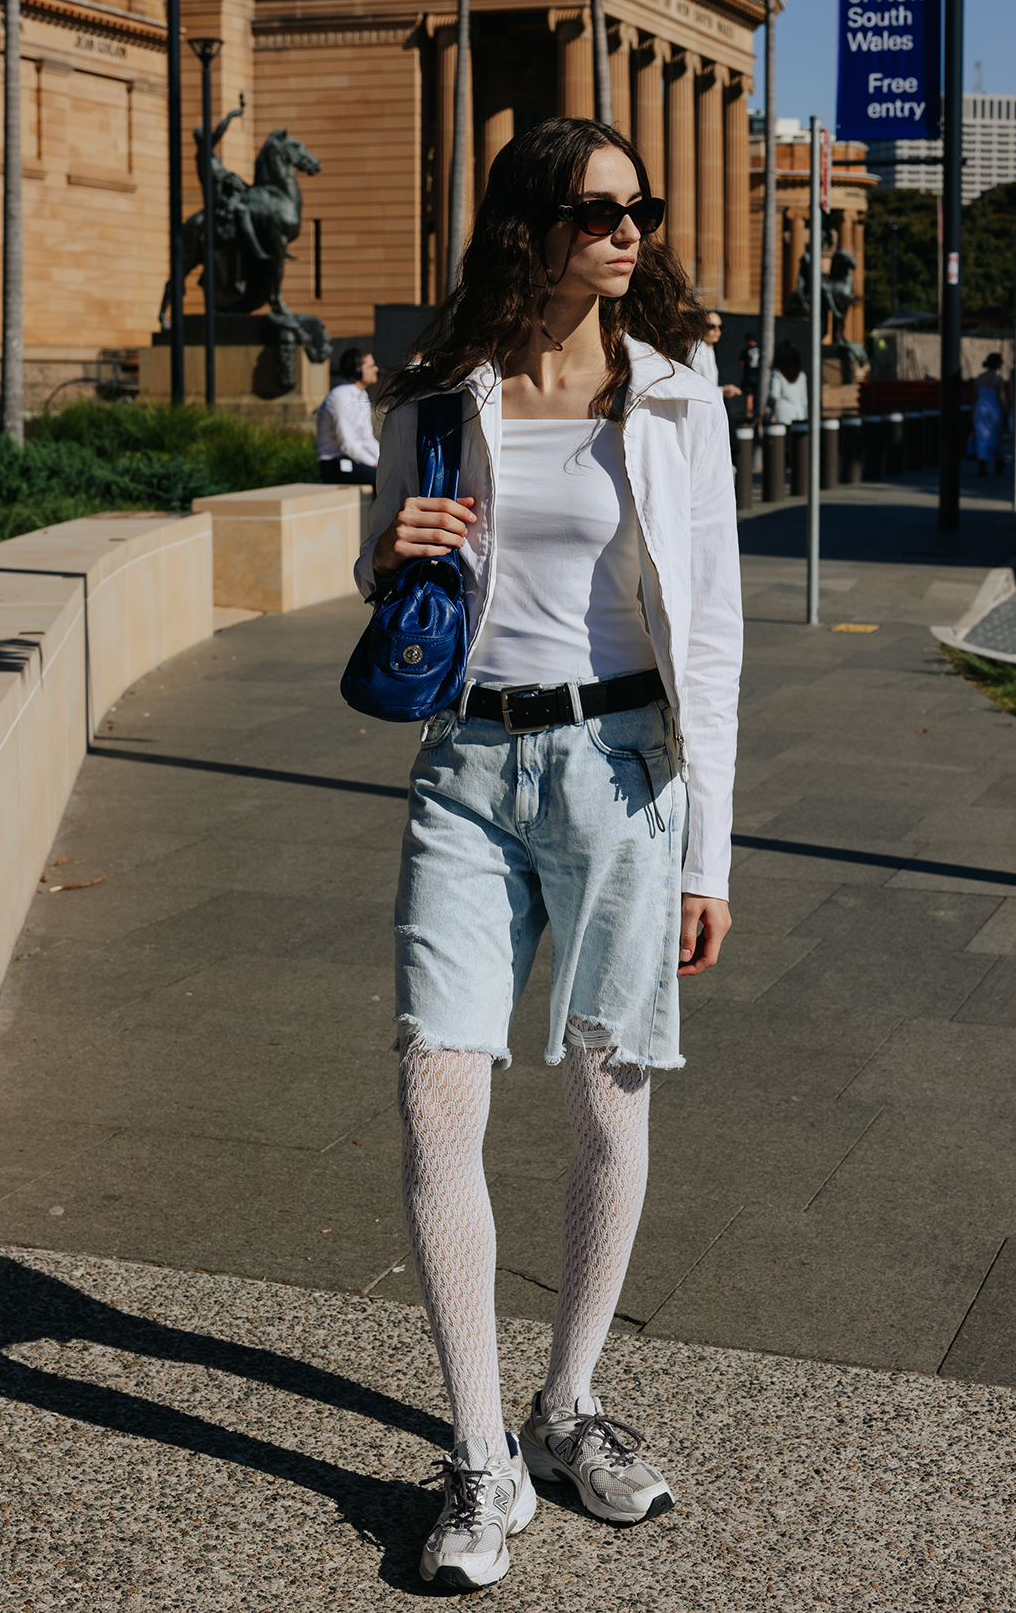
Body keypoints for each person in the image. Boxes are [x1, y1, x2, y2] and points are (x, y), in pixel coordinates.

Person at [359, 116, 741, 1592]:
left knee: (604, 1091)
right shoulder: (443, 390)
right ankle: (479, 1455)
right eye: (597, 209)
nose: (627, 229)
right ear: (534, 225)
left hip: (622, 768)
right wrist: (397, 542)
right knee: (432, 1083)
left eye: (637, 207)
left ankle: (567, 1402)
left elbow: (711, 636)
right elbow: (378, 554)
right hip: (463, 763)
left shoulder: (677, 400)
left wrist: (712, 849)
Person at [316, 347, 381, 484]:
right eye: (371, 366)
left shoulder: (362, 395)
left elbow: (366, 438)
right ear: (357, 371)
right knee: (385, 480)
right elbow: (346, 444)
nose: (376, 369)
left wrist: (383, 460)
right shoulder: (339, 396)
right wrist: (374, 463)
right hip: (335, 464)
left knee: (393, 476)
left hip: (354, 461)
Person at [689, 309, 741, 405]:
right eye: (711, 326)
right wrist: (722, 391)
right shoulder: (697, 352)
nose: (716, 330)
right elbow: (694, 386)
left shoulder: (709, 348)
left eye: (720, 327)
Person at [970, 353, 1009, 479]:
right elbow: (1001, 398)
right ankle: (998, 461)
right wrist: (1006, 411)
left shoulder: (979, 378)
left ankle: (982, 464)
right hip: (994, 410)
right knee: (995, 438)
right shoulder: (998, 379)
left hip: (980, 410)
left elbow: (975, 398)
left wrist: (972, 413)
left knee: (981, 438)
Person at [765, 339, 808, 426]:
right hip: (799, 413)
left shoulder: (777, 373)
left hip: (782, 415)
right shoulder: (801, 374)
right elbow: (804, 399)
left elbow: (774, 395)